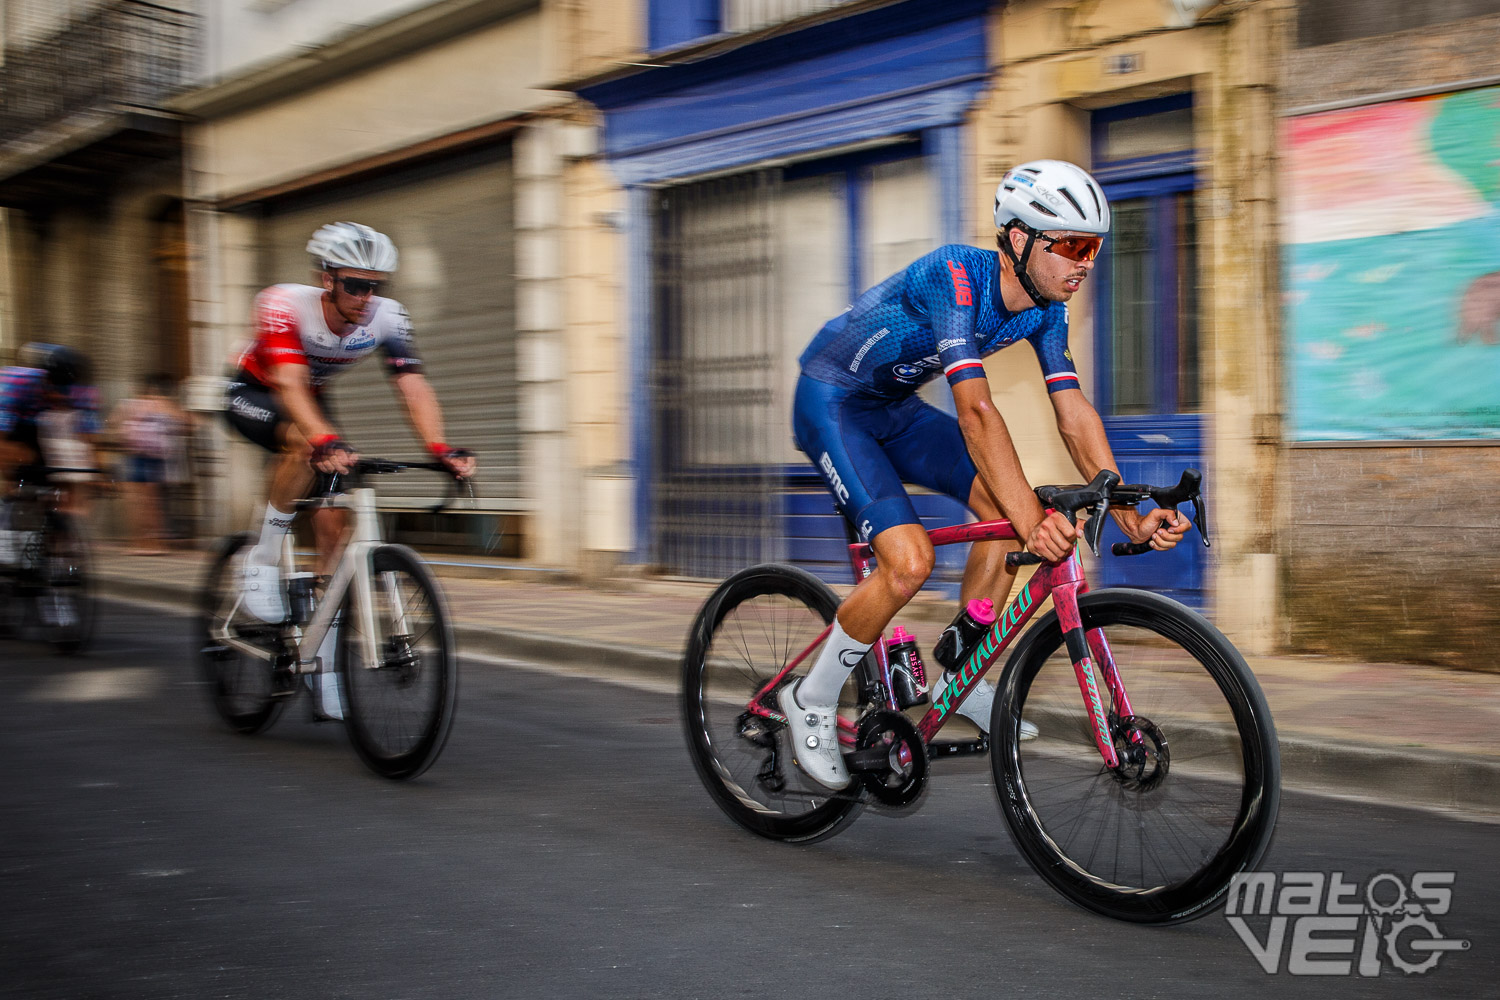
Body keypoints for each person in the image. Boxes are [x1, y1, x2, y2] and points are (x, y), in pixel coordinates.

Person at [784, 160, 1191, 789]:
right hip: (833, 401)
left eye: (1095, 248)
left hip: (894, 410)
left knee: (1002, 516)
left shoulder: (1046, 309)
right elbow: (975, 409)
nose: (1086, 263)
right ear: (1021, 238)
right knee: (910, 561)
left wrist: (1128, 506)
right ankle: (810, 698)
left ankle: (958, 676)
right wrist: (1033, 521)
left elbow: (1073, 412)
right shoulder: (957, 276)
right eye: (1074, 246)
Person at [224, 222, 475, 628]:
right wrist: (322, 439)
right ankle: (262, 557)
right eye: (356, 285)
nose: (367, 298)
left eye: (378, 287)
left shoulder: (388, 317)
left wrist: (440, 447)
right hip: (254, 392)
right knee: (308, 448)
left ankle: (322, 626)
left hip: (310, 396)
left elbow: (412, 385)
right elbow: (289, 382)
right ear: (328, 279)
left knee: (336, 514)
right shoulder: (283, 303)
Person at [0, 343, 100, 509]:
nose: (58, 397)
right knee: (19, 456)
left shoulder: (82, 392)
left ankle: (59, 520)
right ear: (45, 380)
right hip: (16, 419)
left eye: (63, 394)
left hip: (40, 421)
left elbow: (89, 438)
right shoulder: (16, 383)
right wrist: (9, 476)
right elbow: (2, 440)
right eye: (54, 391)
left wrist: (95, 474)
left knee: (61, 470)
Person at [109, 373, 187, 555]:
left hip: (136, 455)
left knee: (137, 502)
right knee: (153, 502)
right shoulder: (162, 403)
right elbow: (184, 422)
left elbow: (114, 423)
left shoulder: (129, 404)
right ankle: (156, 544)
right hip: (156, 457)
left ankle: (140, 543)